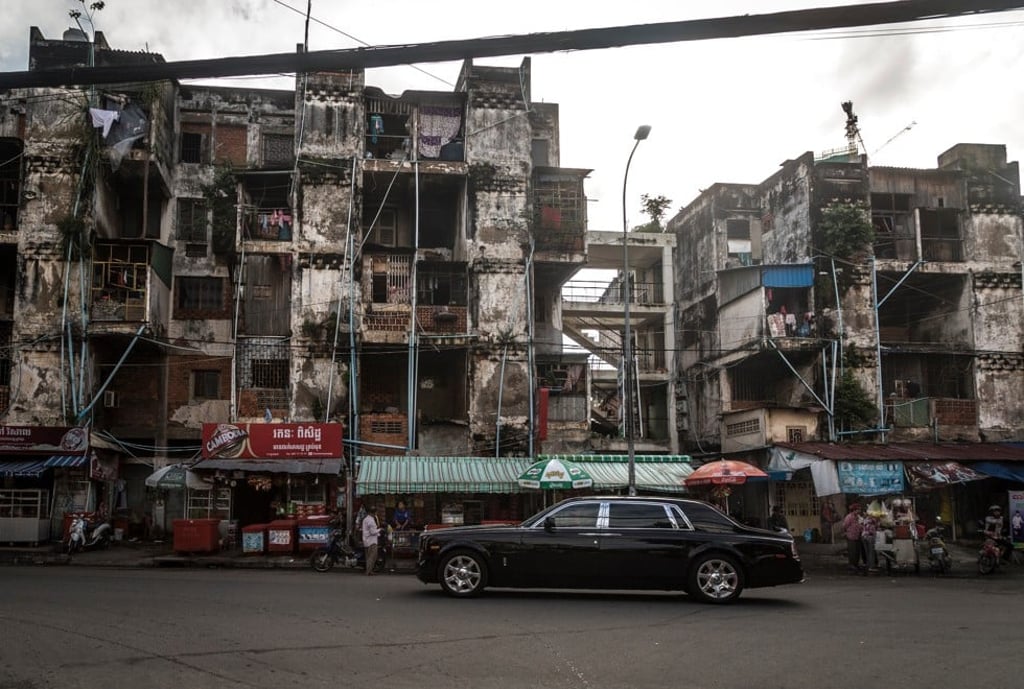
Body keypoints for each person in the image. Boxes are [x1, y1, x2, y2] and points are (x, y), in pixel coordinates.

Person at [842, 503, 864, 572]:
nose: (859, 511)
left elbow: (861, 524)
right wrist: (846, 532)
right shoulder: (849, 517)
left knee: (857, 551)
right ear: (854, 510)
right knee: (852, 551)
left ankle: (856, 564)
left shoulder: (858, 517)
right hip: (851, 536)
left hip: (857, 536)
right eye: (858, 510)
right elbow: (845, 525)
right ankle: (852, 565)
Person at [361, 504, 382, 575]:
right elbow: (373, 532)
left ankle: (369, 570)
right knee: (372, 557)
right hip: (371, 541)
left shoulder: (366, 519)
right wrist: (380, 530)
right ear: (373, 512)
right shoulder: (371, 520)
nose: (376, 513)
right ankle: (368, 571)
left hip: (366, 540)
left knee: (368, 557)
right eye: (376, 512)